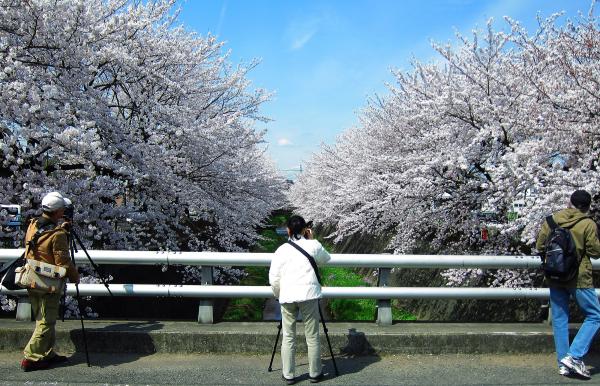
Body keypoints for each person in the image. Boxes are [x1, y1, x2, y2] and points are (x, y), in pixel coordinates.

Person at [536, 189, 600, 379]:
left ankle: (563, 364)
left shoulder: (551, 220)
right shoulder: (587, 223)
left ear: (569, 202)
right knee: (595, 315)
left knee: (560, 319)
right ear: (588, 206)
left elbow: (540, 246)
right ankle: (574, 356)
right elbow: (596, 252)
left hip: (554, 276)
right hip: (578, 277)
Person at [20, 192, 80, 372]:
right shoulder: (57, 234)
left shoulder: (33, 224)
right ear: (58, 211)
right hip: (49, 283)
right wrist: (75, 276)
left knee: (43, 318)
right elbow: (62, 262)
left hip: (32, 278)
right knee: (46, 321)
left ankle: (47, 354)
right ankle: (30, 358)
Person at [269, 215, 331, 385]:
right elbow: (326, 259)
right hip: (309, 295)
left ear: (288, 230)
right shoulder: (313, 245)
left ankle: (288, 375)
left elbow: (274, 278)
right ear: (305, 230)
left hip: (288, 296)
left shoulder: (281, 250)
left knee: (288, 336)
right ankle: (315, 373)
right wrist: (312, 239)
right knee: (312, 336)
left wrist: (278, 294)